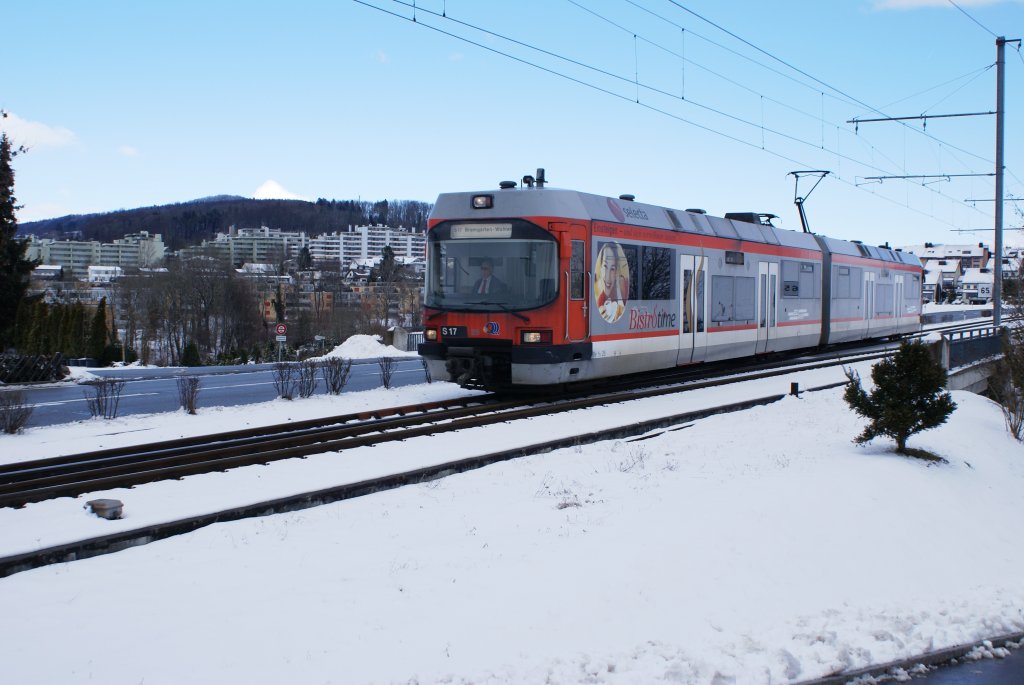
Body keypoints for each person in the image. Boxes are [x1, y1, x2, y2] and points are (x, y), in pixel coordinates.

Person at [594, 243, 628, 322]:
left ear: (616, 272)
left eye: (612, 269)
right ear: (600, 267)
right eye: (605, 266)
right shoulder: (599, 303)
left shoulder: (625, 287)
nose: (608, 276)